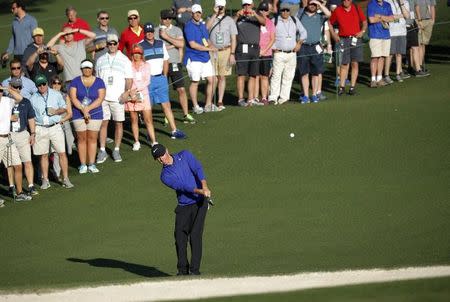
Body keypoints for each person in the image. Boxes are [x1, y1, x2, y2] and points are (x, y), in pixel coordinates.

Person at [151, 143, 211, 276]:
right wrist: (200, 190)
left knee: (195, 235)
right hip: (184, 205)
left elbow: (197, 168)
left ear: (167, 150)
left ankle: (194, 272)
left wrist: (204, 186)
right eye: (158, 158)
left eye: (162, 155)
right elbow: (183, 186)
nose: (162, 159)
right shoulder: (165, 176)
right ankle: (182, 271)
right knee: (179, 237)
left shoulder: (185, 155)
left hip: (200, 203)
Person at [139, 22, 187, 140]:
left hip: (160, 78)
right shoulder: (140, 46)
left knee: (166, 105)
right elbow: (139, 64)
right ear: (144, 33)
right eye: (147, 32)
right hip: (148, 81)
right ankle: (150, 133)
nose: (149, 34)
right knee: (147, 108)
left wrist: (164, 76)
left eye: (151, 32)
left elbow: (166, 61)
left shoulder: (161, 43)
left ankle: (174, 130)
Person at [29, 74, 73, 189]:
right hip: (40, 128)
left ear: (47, 83)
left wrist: (56, 111)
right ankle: (45, 180)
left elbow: (64, 108)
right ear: (36, 86)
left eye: (43, 84)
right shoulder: (33, 99)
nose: (42, 86)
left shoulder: (56, 94)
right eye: (39, 85)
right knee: (43, 155)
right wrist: (33, 133)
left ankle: (66, 178)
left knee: (61, 153)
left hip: (55, 126)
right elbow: (32, 118)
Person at [95, 34, 133, 163]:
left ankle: (116, 150)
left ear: (118, 44)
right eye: (110, 44)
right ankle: (102, 150)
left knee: (118, 123)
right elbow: (97, 80)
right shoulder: (100, 60)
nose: (112, 46)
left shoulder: (125, 60)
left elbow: (129, 79)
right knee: (103, 123)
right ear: (106, 45)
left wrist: (126, 93)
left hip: (118, 97)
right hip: (103, 98)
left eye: (114, 43)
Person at [155, 9, 196, 123]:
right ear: (161, 19)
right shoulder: (155, 31)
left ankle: (186, 114)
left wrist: (167, 38)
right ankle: (166, 115)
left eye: (169, 18)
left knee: (181, 89)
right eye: (165, 18)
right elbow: (158, 48)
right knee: (164, 90)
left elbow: (181, 44)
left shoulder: (177, 30)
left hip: (174, 62)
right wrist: (173, 45)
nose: (167, 20)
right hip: (160, 64)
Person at [69, 60, 105, 174]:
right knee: (81, 139)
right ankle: (83, 164)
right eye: (85, 68)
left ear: (92, 69)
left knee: (92, 139)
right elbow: (73, 98)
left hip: (95, 113)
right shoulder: (75, 81)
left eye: (89, 68)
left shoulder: (99, 82)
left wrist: (87, 109)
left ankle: (91, 164)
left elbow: (100, 98)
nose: (87, 70)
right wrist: (83, 109)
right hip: (78, 113)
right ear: (81, 69)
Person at [268, 3, 307, 105]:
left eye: (287, 10)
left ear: (290, 11)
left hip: (292, 53)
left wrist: (299, 43)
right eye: (283, 10)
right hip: (279, 53)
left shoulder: (294, 20)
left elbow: (304, 33)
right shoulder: (274, 21)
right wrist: (273, 48)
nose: (285, 12)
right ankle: (273, 98)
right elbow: (268, 35)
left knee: (288, 76)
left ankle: (284, 98)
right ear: (280, 11)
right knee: (276, 76)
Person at [0, 82, 32, 202]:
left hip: (8, 138)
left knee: (18, 165)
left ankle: (19, 193)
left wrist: (8, 88)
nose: (0, 93)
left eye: (0, 91)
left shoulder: (7, 100)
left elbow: (19, 98)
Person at [184, 4, 218, 113]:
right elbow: (192, 44)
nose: (198, 14)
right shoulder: (188, 26)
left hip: (204, 57)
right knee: (195, 81)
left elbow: (206, 40)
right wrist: (208, 49)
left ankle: (208, 104)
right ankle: (195, 106)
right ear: (192, 14)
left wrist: (213, 47)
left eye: (199, 12)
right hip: (193, 58)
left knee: (212, 79)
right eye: (196, 13)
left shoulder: (202, 25)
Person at [6, 78, 37, 196]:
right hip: (9, 134)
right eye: (15, 87)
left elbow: (31, 118)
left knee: (27, 161)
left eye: (19, 87)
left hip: (23, 134)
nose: (17, 89)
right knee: (10, 163)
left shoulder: (25, 101)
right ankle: (11, 185)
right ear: (10, 87)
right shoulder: (4, 100)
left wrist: (33, 134)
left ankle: (30, 186)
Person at [328, 0, 367, 95]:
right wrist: (333, 34)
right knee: (344, 64)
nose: (346, 1)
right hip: (343, 39)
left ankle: (352, 87)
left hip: (356, 39)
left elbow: (364, 22)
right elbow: (329, 23)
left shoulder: (356, 8)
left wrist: (362, 31)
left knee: (355, 64)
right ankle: (342, 87)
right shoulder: (338, 10)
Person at [206, 0, 238, 110]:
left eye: (222, 7)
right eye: (218, 7)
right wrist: (215, 14)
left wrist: (232, 53)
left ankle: (219, 101)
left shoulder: (229, 20)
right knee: (212, 77)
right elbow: (206, 29)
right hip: (212, 51)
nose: (220, 9)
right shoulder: (210, 18)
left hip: (226, 51)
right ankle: (209, 102)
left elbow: (233, 38)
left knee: (222, 77)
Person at [125, 44, 158, 151]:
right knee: (134, 119)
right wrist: (130, 92)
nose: (137, 55)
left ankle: (153, 141)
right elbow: (127, 79)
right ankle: (136, 141)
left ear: (141, 54)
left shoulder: (146, 65)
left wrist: (135, 90)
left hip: (143, 95)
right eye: (135, 53)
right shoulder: (128, 66)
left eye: (138, 53)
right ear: (132, 54)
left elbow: (147, 81)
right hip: (131, 95)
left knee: (148, 119)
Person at [234, 0, 267, 107]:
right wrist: (236, 16)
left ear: (252, 5)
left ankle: (251, 99)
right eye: (245, 5)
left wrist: (255, 15)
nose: (247, 6)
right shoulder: (238, 16)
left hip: (255, 48)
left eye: (248, 4)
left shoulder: (256, 15)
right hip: (242, 48)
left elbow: (264, 22)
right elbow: (230, 26)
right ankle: (240, 99)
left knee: (253, 74)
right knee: (241, 74)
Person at [297, 0, 330, 104]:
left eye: (314, 5)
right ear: (307, 4)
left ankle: (314, 95)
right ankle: (306, 96)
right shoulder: (300, 14)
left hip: (316, 47)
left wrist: (320, 4)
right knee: (304, 72)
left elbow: (329, 14)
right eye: (311, 3)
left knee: (315, 72)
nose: (312, 6)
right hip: (303, 47)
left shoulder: (320, 17)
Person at [50, 75, 75, 180]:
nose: (56, 85)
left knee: (68, 148)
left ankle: (61, 169)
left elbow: (70, 113)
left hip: (65, 123)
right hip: (53, 126)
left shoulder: (65, 96)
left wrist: (62, 120)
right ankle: (57, 173)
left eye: (58, 83)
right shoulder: (48, 96)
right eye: (54, 83)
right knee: (56, 151)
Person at [367, 0, 395, 88]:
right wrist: (384, 18)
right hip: (375, 35)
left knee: (382, 57)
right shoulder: (371, 4)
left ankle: (379, 78)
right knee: (375, 57)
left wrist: (379, 17)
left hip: (386, 35)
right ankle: (373, 80)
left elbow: (391, 18)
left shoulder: (387, 4)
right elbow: (371, 20)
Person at [383, 0, 411, 83]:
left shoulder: (405, 2)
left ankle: (398, 73)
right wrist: (399, 16)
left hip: (402, 31)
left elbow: (407, 15)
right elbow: (387, 16)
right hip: (391, 32)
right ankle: (386, 75)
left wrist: (401, 4)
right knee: (390, 54)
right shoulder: (387, 2)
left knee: (399, 54)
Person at [254, 1, 275, 105]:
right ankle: (255, 97)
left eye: (266, 10)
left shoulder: (270, 23)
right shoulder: (255, 21)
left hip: (266, 53)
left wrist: (264, 50)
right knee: (255, 75)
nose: (263, 12)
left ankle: (264, 97)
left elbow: (272, 39)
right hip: (255, 52)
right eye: (262, 10)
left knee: (264, 76)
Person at [405, 0, 429, 77]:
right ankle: (409, 68)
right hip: (403, 26)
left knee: (415, 47)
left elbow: (416, 7)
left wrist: (419, 20)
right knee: (407, 49)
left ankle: (418, 69)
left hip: (412, 24)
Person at [415, 0, 435, 73]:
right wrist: (419, 20)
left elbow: (432, 6)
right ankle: (416, 66)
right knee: (418, 44)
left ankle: (420, 65)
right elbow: (415, 7)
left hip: (428, 21)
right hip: (418, 20)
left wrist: (433, 20)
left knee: (423, 44)